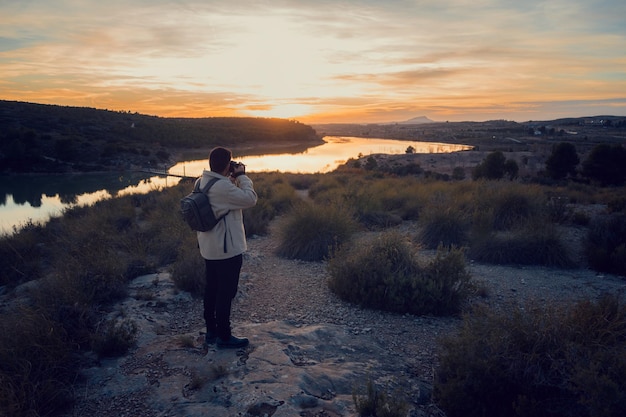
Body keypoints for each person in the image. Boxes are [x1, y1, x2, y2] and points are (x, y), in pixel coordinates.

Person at [197, 147, 257, 349]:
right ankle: (225, 336)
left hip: (209, 248)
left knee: (211, 290)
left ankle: (211, 331)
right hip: (227, 250)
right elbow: (250, 199)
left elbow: (223, 195)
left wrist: (229, 177)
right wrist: (242, 176)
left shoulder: (202, 181)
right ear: (226, 165)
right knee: (226, 292)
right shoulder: (223, 187)